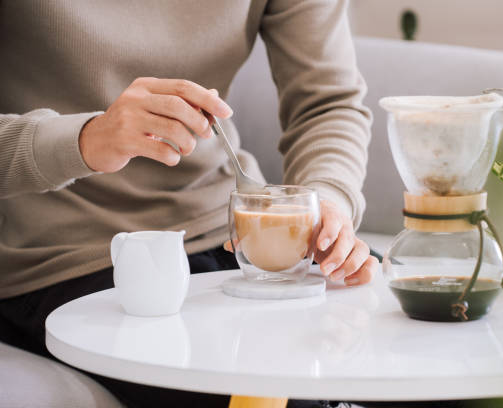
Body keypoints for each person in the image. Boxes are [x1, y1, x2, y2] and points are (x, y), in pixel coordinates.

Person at [0, 1, 376, 406]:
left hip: (229, 234)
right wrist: (86, 139)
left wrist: (328, 201)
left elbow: (327, 104)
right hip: (66, 256)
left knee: (433, 347)